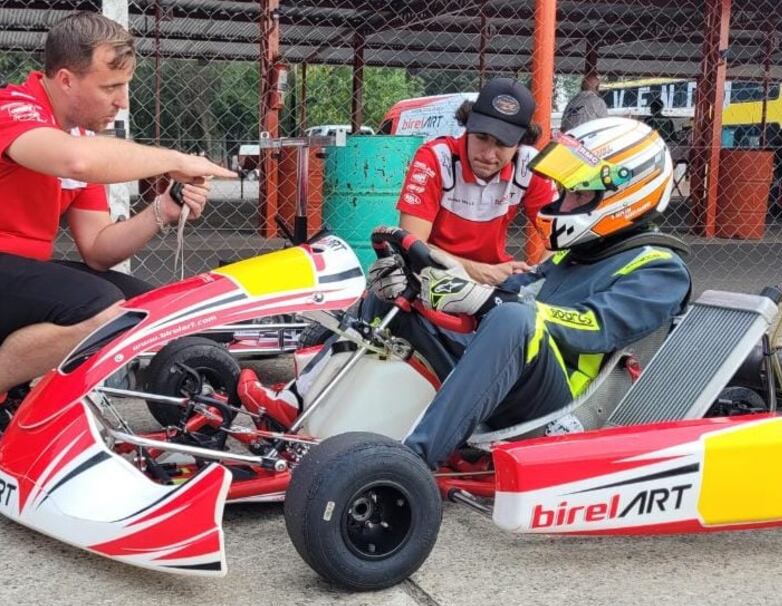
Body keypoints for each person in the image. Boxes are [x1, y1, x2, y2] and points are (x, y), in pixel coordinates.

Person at [239, 117, 691, 469]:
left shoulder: (660, 269)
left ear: (621, 197)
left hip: (558, 399)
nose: (561, 204)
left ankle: (409, 462)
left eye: (576, 196)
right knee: (396, 292)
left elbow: (592, 329)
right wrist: (432, 290)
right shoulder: (577, 254)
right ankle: (298, 404)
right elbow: (513, 291)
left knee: (514, 319)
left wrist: (489, 302)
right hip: (509, 366)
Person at [0, 12, 236, 428]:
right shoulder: (13, 108)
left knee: (147, 307)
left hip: (16, 274)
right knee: (105, 310)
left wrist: (162, 209)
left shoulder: (79, 140)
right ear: (66, 79)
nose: (123, 100)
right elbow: (79, 161)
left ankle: (19, 395)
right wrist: (176, 160)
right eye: (110, 86)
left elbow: (98, 250)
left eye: (125, 86)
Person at [396, 77, 557, 286]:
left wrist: (537, 277)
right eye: (481, 137)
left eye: (502, 143)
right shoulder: (436, 158)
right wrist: (482, 273)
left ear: (520, 142)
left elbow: (561, 237)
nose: (488, 154)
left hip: (495, 281)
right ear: (468, 125)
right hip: (432, 278)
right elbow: (411, 246)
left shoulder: (529, 163)